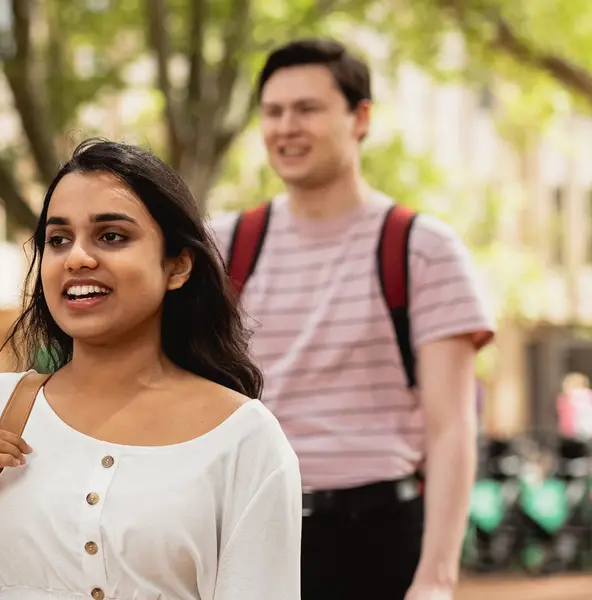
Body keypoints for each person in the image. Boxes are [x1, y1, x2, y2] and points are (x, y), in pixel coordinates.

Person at [0, 140, 302, 599]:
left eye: (112, 237)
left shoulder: (245, 440)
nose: (77, 258)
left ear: (178, 265)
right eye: (58, 239)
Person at [212, 39, 496, 600]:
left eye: (308, 109)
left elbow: (451, 430)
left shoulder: (423, 249)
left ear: (360, 117)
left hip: (381, 539)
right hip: (251, 530)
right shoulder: (222, 247)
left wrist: (437, 578)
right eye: (273, 111)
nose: (286, 127)